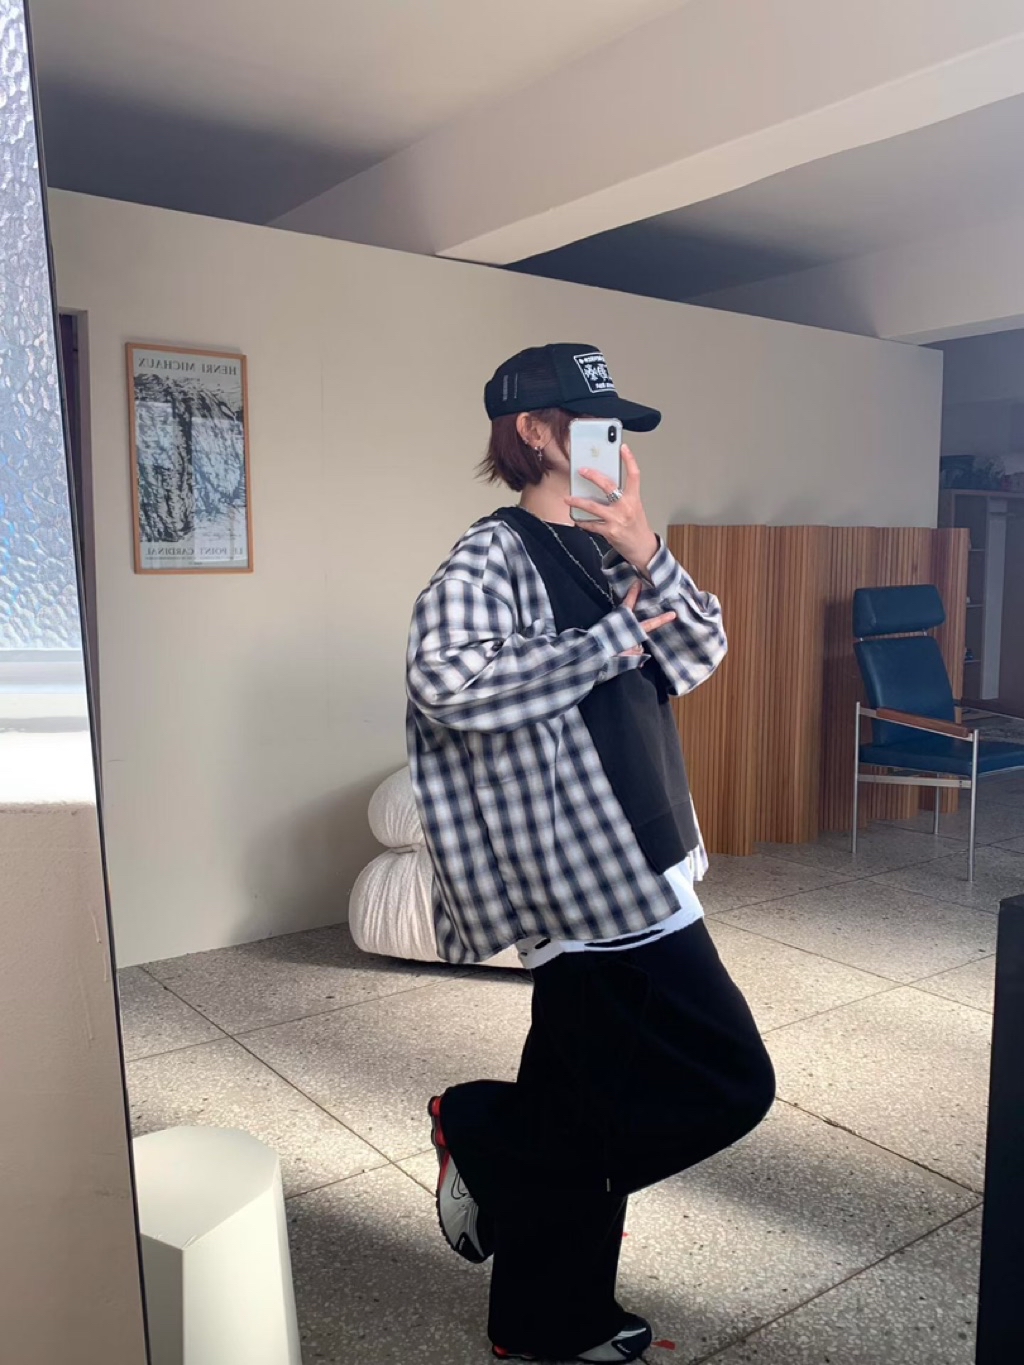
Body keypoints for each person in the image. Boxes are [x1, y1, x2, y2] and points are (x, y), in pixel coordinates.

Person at [406, 343, 775, 1363]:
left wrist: (645, 545)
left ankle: (545, 1324)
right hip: (589, 882)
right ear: (535, 432)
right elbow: (444, 678)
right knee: (729, 1082)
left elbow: (698, 653)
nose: (615, 441)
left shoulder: (612, 550)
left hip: (649, 853)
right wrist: (612, 639)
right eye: (594, 422)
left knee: (582, 1105)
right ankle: (481, 1130)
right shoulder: (492, 553)